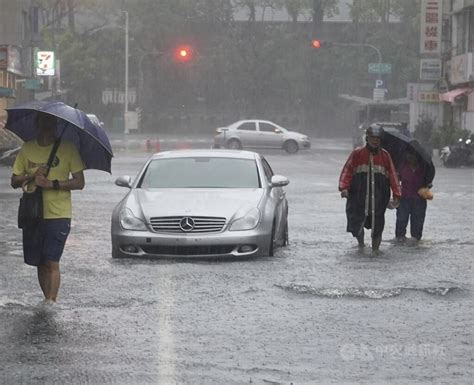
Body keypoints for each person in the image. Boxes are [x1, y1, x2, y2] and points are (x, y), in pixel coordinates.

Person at [11, 112, 85, 305]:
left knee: (52, 260)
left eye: (50, 122)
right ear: (37, 124)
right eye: (43, 122)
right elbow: (14, 180)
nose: (46, 126)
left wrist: (52, 184)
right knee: (40, 261)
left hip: (58, 214)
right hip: (33, 213)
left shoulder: (68, 149)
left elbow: (79, 182)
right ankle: (47, 298)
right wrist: (32, 175)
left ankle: (51, 302)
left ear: (56, 126)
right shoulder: (27, 149)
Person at [339, 124, 402, 251]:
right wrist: (344, 188)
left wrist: (397, 195)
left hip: (379, 198)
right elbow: (347, 171)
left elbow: (393, 176)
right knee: (357, 222)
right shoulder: (357, 153)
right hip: (358, 197)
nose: (375, 141)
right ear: (367, 138)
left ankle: (375, 250)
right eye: (372, 138)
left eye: (377, 138)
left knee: (378, 225)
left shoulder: (385, 156)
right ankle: (361, 245)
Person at [395, 149, 432, 241]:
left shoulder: (424, 168)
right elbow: (395, 181)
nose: (410, 158)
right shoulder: (402, 166)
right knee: (401, 221)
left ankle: (415, 243)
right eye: (409, 155)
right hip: (404, 199)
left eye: (413, 156)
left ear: (417, 157)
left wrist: (428, 186)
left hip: (419, 200)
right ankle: (400, 241)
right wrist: (395, 196)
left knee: (417, 225)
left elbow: (428, 182)